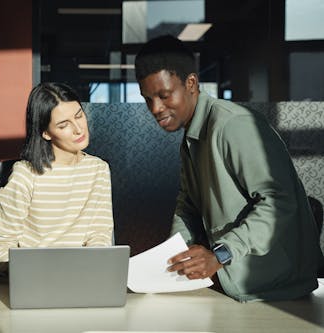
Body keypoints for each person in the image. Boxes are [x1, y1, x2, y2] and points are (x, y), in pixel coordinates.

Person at [134, 35, 324, 302]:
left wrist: (220, 254)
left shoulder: (234, 125)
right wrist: (173, 255)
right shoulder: (192, 135)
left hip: (274, 289)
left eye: (164, 96)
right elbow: (188, 204)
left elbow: (280, 203)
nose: (155, 108)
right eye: (148, 99)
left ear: (191, 83)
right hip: (234, 280)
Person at [0, 82, 114, 274]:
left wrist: (94, 267)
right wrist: (16, 274)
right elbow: (5, 241)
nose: (78, 129)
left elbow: (99, 232)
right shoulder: (25, 174)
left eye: (79, 115)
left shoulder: (98, 169)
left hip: (81, 273)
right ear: (45, 133)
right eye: (64, 125)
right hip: (35, 273)